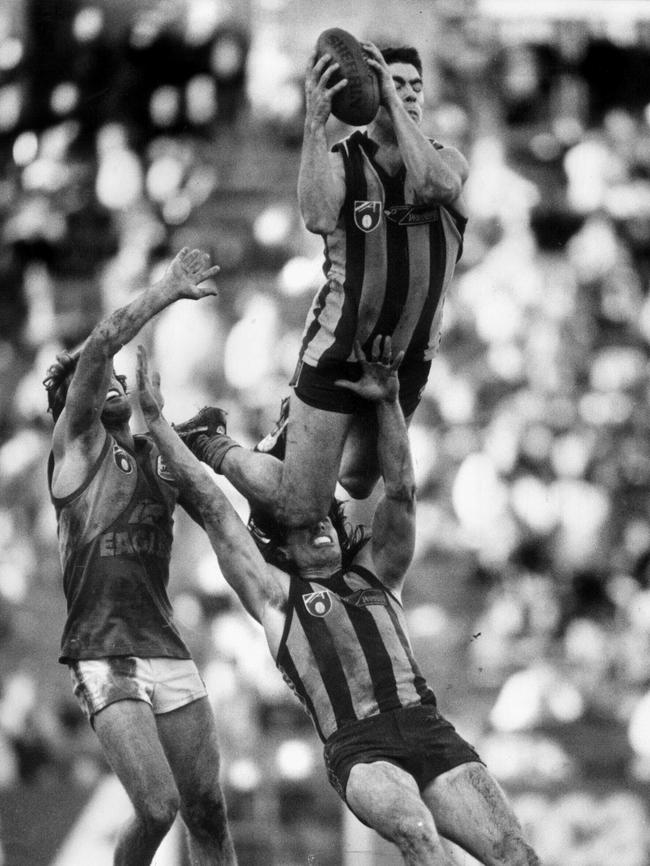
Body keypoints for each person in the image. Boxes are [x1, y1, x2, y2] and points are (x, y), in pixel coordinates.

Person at [137, 338, 540, 866]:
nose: (323, 525)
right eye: (305, 525)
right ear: (279, 544)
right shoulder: (277, 595)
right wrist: (157, 422)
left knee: (518, 855)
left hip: (426, 726)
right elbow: (216, 512)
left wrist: (388, 400)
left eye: (326, 516)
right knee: (419, 835)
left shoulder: (377, 570)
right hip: (361, 748)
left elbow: (402, 492)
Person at [175, 42, 469, 531]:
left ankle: (290, 439)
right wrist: (314, 123)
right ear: (370, 91)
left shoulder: (447, 160)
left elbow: (438, 189)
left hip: (405, 360)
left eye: (417, 86)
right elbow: (314, 215)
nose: (411, 95)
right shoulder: (340, 161)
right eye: (396, 84)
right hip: (339, 346)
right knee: (303, 507)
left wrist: (395, 108)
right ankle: (211, 440)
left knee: (357, 482)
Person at [43, 248, 238, 866]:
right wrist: (166, 289)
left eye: (116, 379)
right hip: (104, 649)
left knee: (207, 809)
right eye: (98, 381)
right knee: (158, 807)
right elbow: (101, 343)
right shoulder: (75, 448)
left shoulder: (159, 453)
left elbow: (215, 508)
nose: (111, 382)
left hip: (166, 645)